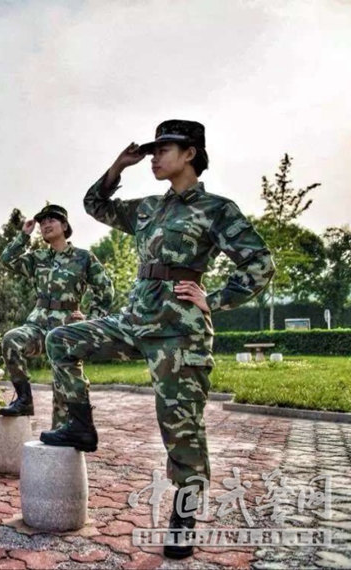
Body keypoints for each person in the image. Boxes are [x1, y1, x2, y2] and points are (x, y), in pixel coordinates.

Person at [40, 120, 275, 559]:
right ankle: (80, 425)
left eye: (163, 149)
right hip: (136, 319)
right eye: (152, 151)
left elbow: (260, 264)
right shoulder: (148, 209)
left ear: (190, 154)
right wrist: (118, 166)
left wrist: (215, 299)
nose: (154, 157)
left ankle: (183, 518)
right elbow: (94, 204)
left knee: (181, 429)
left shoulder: (216, 209)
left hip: (179, 332)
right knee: (61, 340)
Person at [0, 204, 113, 424]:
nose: (45, 225)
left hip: (67, 329)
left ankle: (62, 429)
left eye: (51, 220)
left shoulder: (83, 257)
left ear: (64, 225)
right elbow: (7, 259)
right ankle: (24, 400)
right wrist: (24, 236)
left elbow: (106, 289)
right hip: (38, 326)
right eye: (42, 222)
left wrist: (91, 322)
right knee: (11, 340)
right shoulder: (37, 258)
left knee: (64, 383)